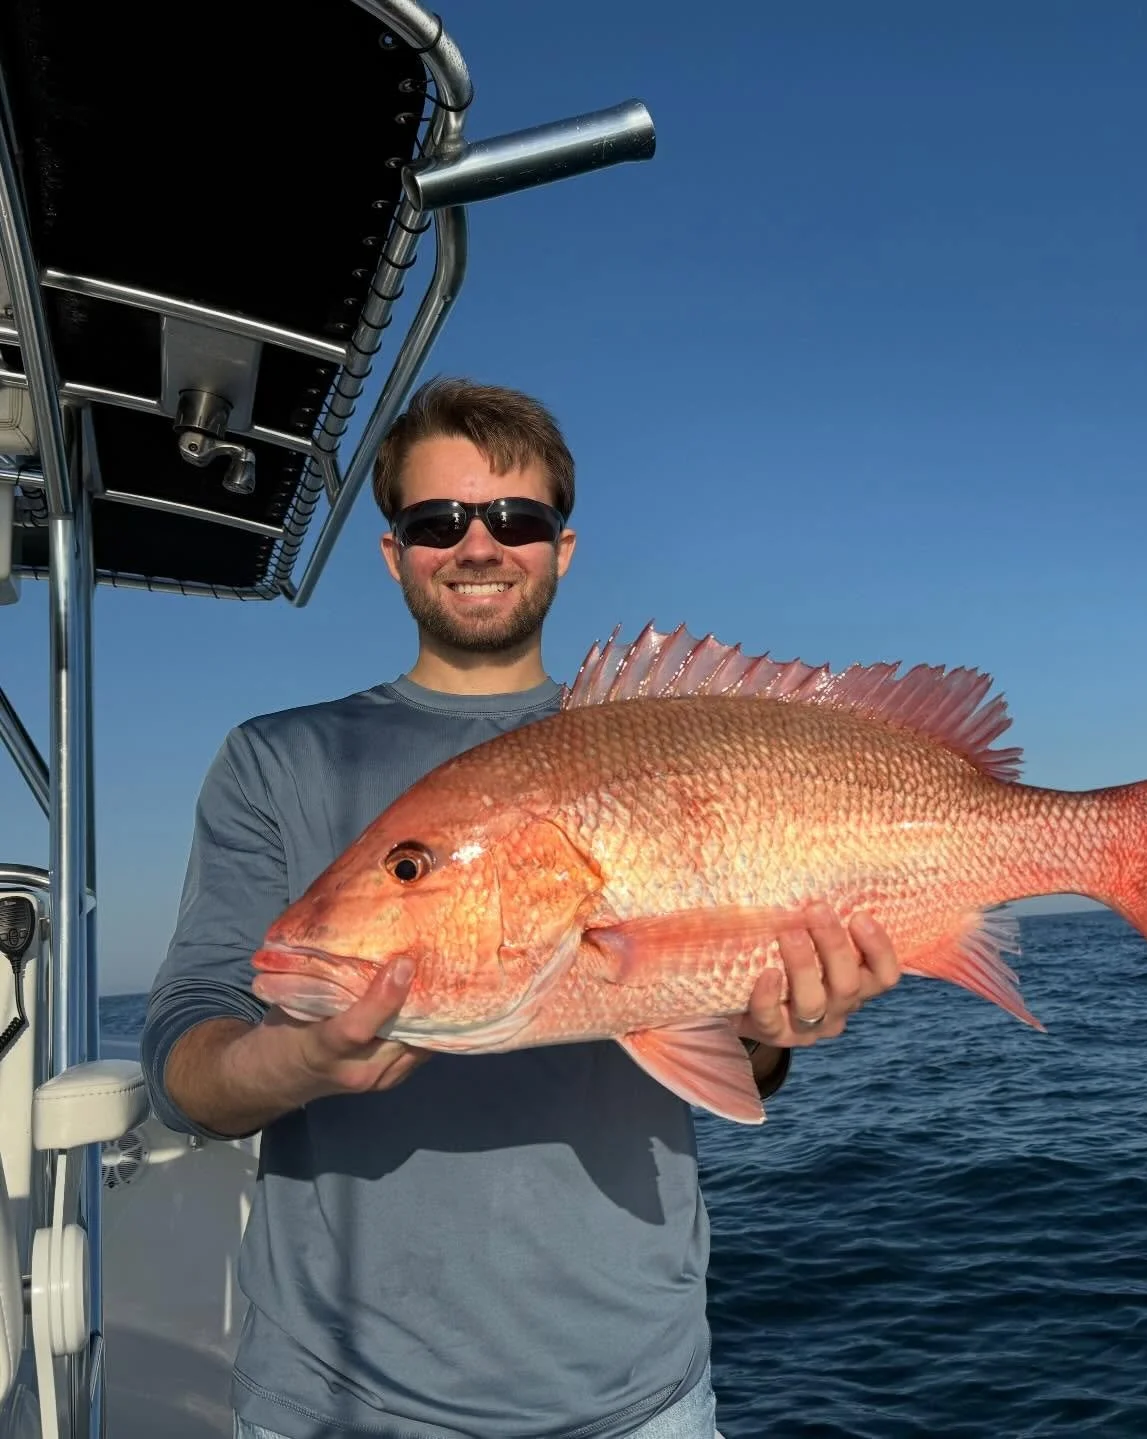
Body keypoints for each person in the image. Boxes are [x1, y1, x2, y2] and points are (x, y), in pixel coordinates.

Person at [141, 377, 902, 1439]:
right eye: (437, 520)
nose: (479, 543)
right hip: (333, 1402)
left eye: (518, 518)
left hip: (638, 1399)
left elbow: (734, 1043)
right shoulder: (277, 760)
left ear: (563, 548)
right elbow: (186, 1056)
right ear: (393, 550)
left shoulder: (669, 727)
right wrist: (297, 1062)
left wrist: (779, 1029)